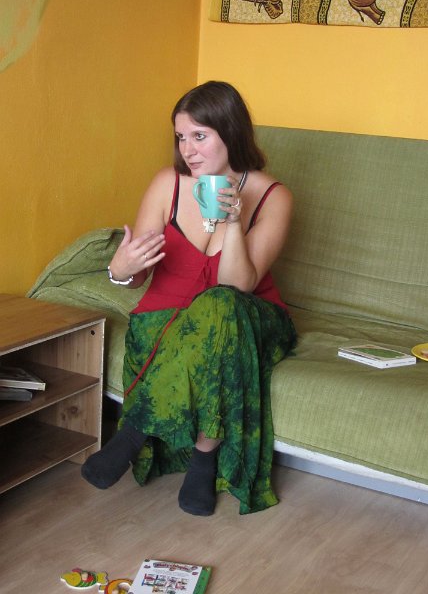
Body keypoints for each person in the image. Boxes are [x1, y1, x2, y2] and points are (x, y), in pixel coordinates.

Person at [81, 81, 297, 516]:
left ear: (230, 132)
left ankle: (139, 433)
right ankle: (199, 457)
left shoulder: (275, 196)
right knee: (192, 330)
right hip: (167, 317)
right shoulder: (168, 184)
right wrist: (120, 270)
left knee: (219, 304)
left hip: (248, 317)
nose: (188, 150)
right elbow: (136, 274)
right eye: (181, 137)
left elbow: (238, 285)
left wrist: (233, 223)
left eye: (200, 136)